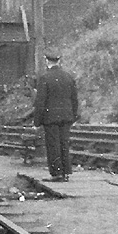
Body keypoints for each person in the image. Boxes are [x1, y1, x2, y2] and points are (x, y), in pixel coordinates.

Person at [33, 52, 79, 182]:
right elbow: (74, 99)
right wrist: (74, 116)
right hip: (66, 116)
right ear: (59, 61)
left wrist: (37, 122)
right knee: (64, 143)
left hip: (51, 118)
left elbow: (40, 102)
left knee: (53, 145)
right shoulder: (68, 77)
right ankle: (66, 172)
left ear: (47, 61)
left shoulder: (45, 78)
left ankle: (57, 173)